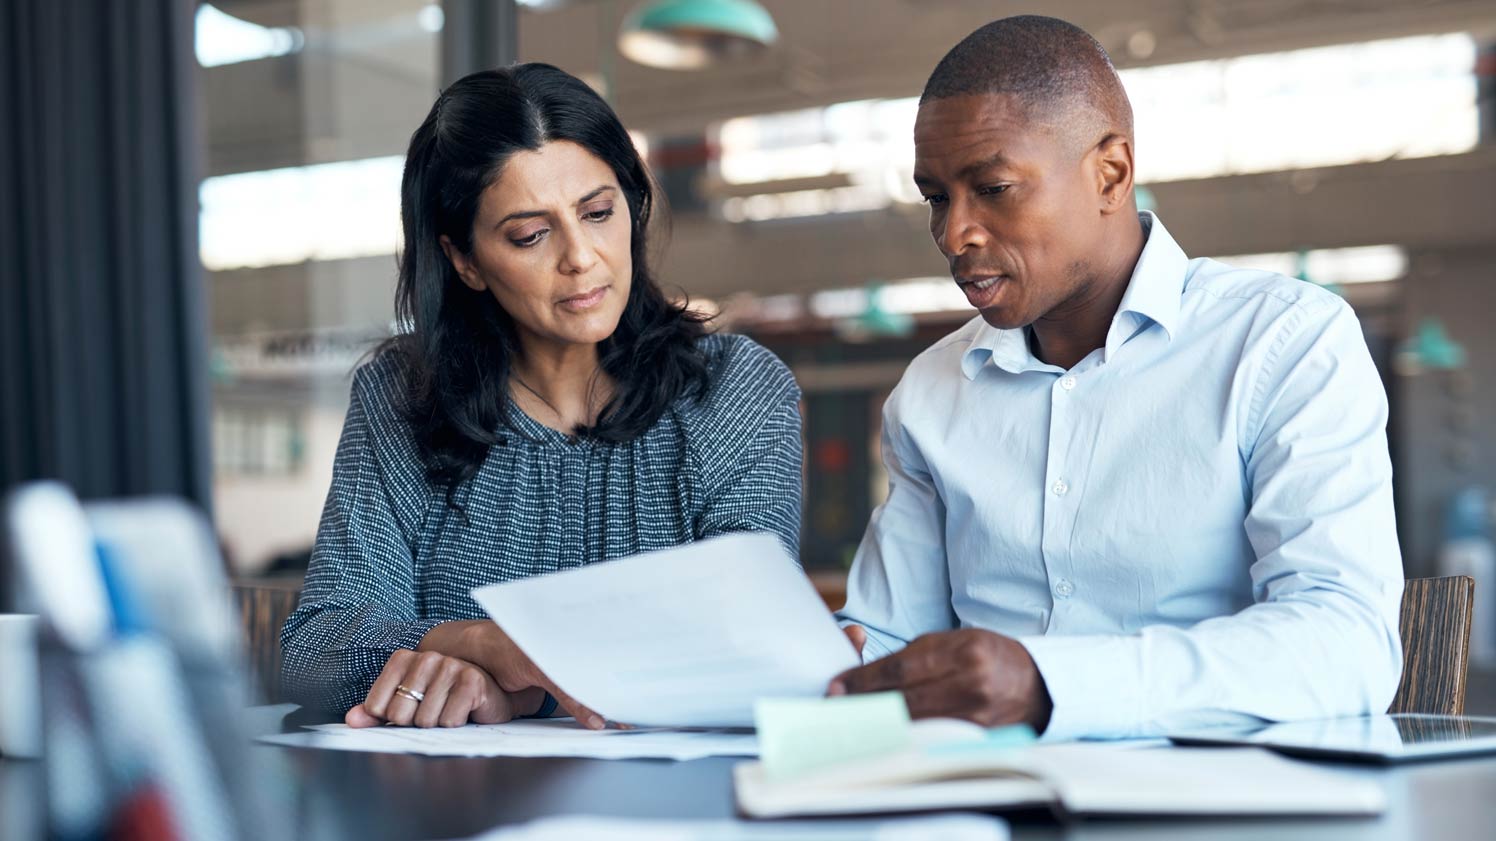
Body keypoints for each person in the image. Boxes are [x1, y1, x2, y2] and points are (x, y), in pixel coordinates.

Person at [830, 16, 1403, 740]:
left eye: (993, 187)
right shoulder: (930, 392)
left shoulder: (1283, 343)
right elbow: (887, 637)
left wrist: (1047, 684)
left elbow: (1345, 647)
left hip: (1213, 803)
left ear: (1111, 174)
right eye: (937, 198)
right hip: (980, 796)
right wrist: (838, 665)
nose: (954, 234)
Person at [280, 64, 803, 730]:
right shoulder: (400, 397)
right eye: (531, 235)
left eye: (598, 212)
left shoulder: (733, 390)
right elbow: (315, 648)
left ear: (632, 203)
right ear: (464, 259)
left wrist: (527, 691)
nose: (582, 257)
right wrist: (475, 643)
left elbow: (746, 638)